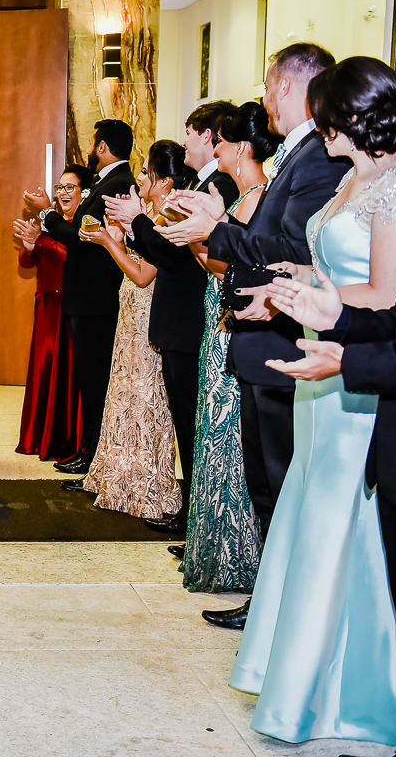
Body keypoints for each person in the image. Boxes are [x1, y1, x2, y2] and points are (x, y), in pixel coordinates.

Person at [224, 56, 396, 749]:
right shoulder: (348, 181)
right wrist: (288, 286)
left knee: (345, 520)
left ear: (348, 116)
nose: (318, 124)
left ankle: (345, 689)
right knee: (310, 506)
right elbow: (337, 268)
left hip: (355, 374)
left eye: (326, 111)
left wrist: (320, 303)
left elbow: (392, 300)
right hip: (321, 364)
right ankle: (297, 675)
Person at [157, 43, 351, 629]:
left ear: (288, 87)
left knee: (278, 477)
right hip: (263, 335)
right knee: (266, 480)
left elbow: (295, 251)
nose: (265, 99)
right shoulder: (301, 156)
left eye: (269, 87)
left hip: (283, 339)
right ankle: (270, 604)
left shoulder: (316, 157)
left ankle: (280, 611)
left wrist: (217, 230)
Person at [109, 101, 240, 534]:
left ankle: (195, 517)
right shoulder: (204, 184)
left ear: (208, 137)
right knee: (187, 421)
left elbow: (171, 255)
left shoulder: (219, 185)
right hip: (179, 320)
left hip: (189, 319)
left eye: (190, 132)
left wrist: (134, 224)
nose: (185, 140)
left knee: (190, 421)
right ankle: (191, 513)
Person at [173, 101, 279, 593]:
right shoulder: (241, 198)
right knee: (213, 438)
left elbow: (234, 264)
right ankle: (215, 547)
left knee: (230, 442)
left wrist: (205, 237)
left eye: (219, 142)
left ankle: (238, 554)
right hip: (218, 325)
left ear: (238, 148)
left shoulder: (256, 196)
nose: (214, 149)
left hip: (235, 326)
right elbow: (218, 261)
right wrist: (199, 236)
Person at [69, 141, 183, 519]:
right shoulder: (151, 215)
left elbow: (142, 274)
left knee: (144, 398)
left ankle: (146, 484)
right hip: (130, 312)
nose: (140, 178)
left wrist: (107, 243)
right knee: (124, 393)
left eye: (147, 173)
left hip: (147, 313)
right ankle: (118, 476)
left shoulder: (166, 218)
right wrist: (117, 240)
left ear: (164, 182)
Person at [24, 119, 136, 476]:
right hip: (92, 299)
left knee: (95, 382)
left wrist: (46, 212)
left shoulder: (113, 186)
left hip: (95, 301)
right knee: (92, 381)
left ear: (102, 147)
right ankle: (89, 451)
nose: (89, 151)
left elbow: (77, 238)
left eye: (91, 144)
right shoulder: (111, 184)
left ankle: (92, 455)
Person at [13, 166, 90, 461]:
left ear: (84, 193)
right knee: (44, 371)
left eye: (71, 187)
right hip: (46, 305)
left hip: (70, 305)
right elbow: (26, 261)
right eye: (60, 188)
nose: (63, 193)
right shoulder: (48, 221)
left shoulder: (80, 223)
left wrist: (41, 240)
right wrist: (31, 244)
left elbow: (74, 256)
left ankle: (66, 440)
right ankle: (38, 436)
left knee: (67, 375)